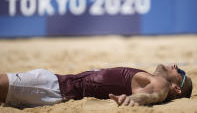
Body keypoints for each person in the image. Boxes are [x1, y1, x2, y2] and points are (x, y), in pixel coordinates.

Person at [0, 64, 192, 107]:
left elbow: (152, 95)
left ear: (176, 88)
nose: (175, 66)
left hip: (51, 88)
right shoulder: (150, 79)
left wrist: (132, 99)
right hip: (54, 84)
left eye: (180, 72)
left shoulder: (160, 84)